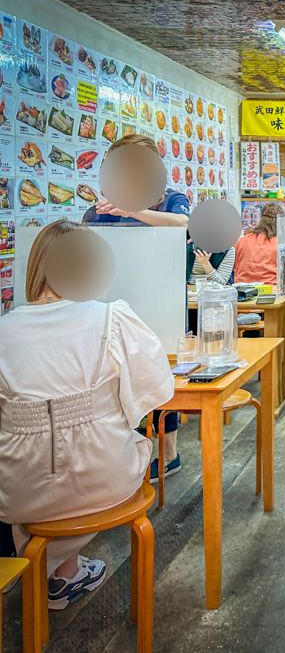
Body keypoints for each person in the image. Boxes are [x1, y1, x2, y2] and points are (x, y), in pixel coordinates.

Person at [0, 220, 173, 609]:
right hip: (104, 482)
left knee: (41, 459)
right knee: (104, 447)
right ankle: (63, 572)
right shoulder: (112, 317)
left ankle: (61, 575)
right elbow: (157, 391)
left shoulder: (4, 331)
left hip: (22, 495)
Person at [83, 134, 190, 481]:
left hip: (160, 302)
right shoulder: (101, 209)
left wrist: (134, 211)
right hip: (109, 307)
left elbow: (184, 225)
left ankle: (168, 453)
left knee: (161, 377)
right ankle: (116, 455)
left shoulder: (171, 200)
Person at [234, 202, 285, 284]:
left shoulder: (243, 240)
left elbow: (232, 265)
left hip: (243, 291)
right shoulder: (282, 244)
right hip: (271, 290)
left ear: (261, 219)